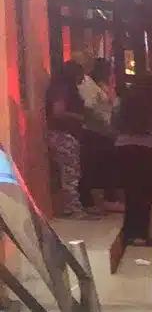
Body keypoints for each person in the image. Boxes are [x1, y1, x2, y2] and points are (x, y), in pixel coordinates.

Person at [113, 73, 152, 248]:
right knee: (145, 195)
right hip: (148, 153)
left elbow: (113, 124)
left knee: (130, 193)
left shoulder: (122, 103)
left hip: (123, 150)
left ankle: (128, 231)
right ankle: (140, 234)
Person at [44, 62, 88, 218]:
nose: (83, 80)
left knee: (68, 172)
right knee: (70, 173)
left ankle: (69, 207)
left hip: (62, 134)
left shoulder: (58, 87)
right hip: (63, 135)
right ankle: (71, 209)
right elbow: (58, 112)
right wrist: (80, 117)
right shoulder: (63, 89)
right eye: (81, 76)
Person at [77, 57, 117, 211]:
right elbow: (89, 105)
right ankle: (93, 202)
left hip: (105, 132)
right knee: (94, 168)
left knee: (104, 166)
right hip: (94, 132)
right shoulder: (89, 84)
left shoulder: (103, 85)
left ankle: (102, 200)